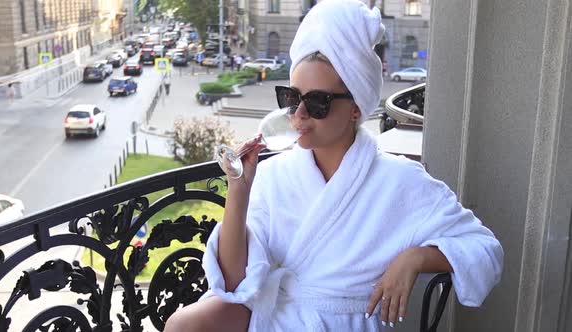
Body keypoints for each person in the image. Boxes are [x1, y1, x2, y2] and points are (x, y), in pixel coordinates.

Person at [163, 1, 503, 331]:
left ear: (355, 108)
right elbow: (235, 282)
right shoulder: (272, 175)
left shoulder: (399, 181)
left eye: (317, 102)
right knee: (182, 325)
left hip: (340, 320)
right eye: (292, 98)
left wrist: (415, 258)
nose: (299, 115)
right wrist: (239, 189)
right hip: (274, 311)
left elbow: (484, 250)